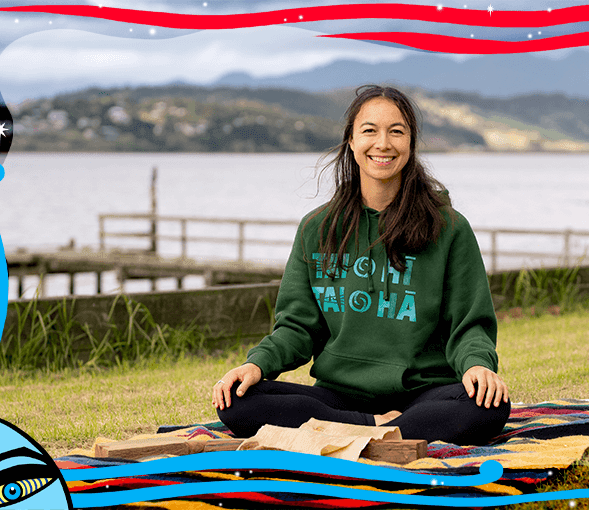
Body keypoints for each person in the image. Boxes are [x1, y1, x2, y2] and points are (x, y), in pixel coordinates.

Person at [211, 85, 510, 446]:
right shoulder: (316, 229)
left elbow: (470, 324)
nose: (382, 143)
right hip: (340, 395)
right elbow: (296, 327)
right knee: (238, 401)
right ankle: (377, 429)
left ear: (411, 143)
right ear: (351, 141)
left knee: (489, 406)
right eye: (369, 130)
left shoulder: (448, 228)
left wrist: (477, 365)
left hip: (423, 393)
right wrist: (256, 364)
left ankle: (350, 433)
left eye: (396, 131)